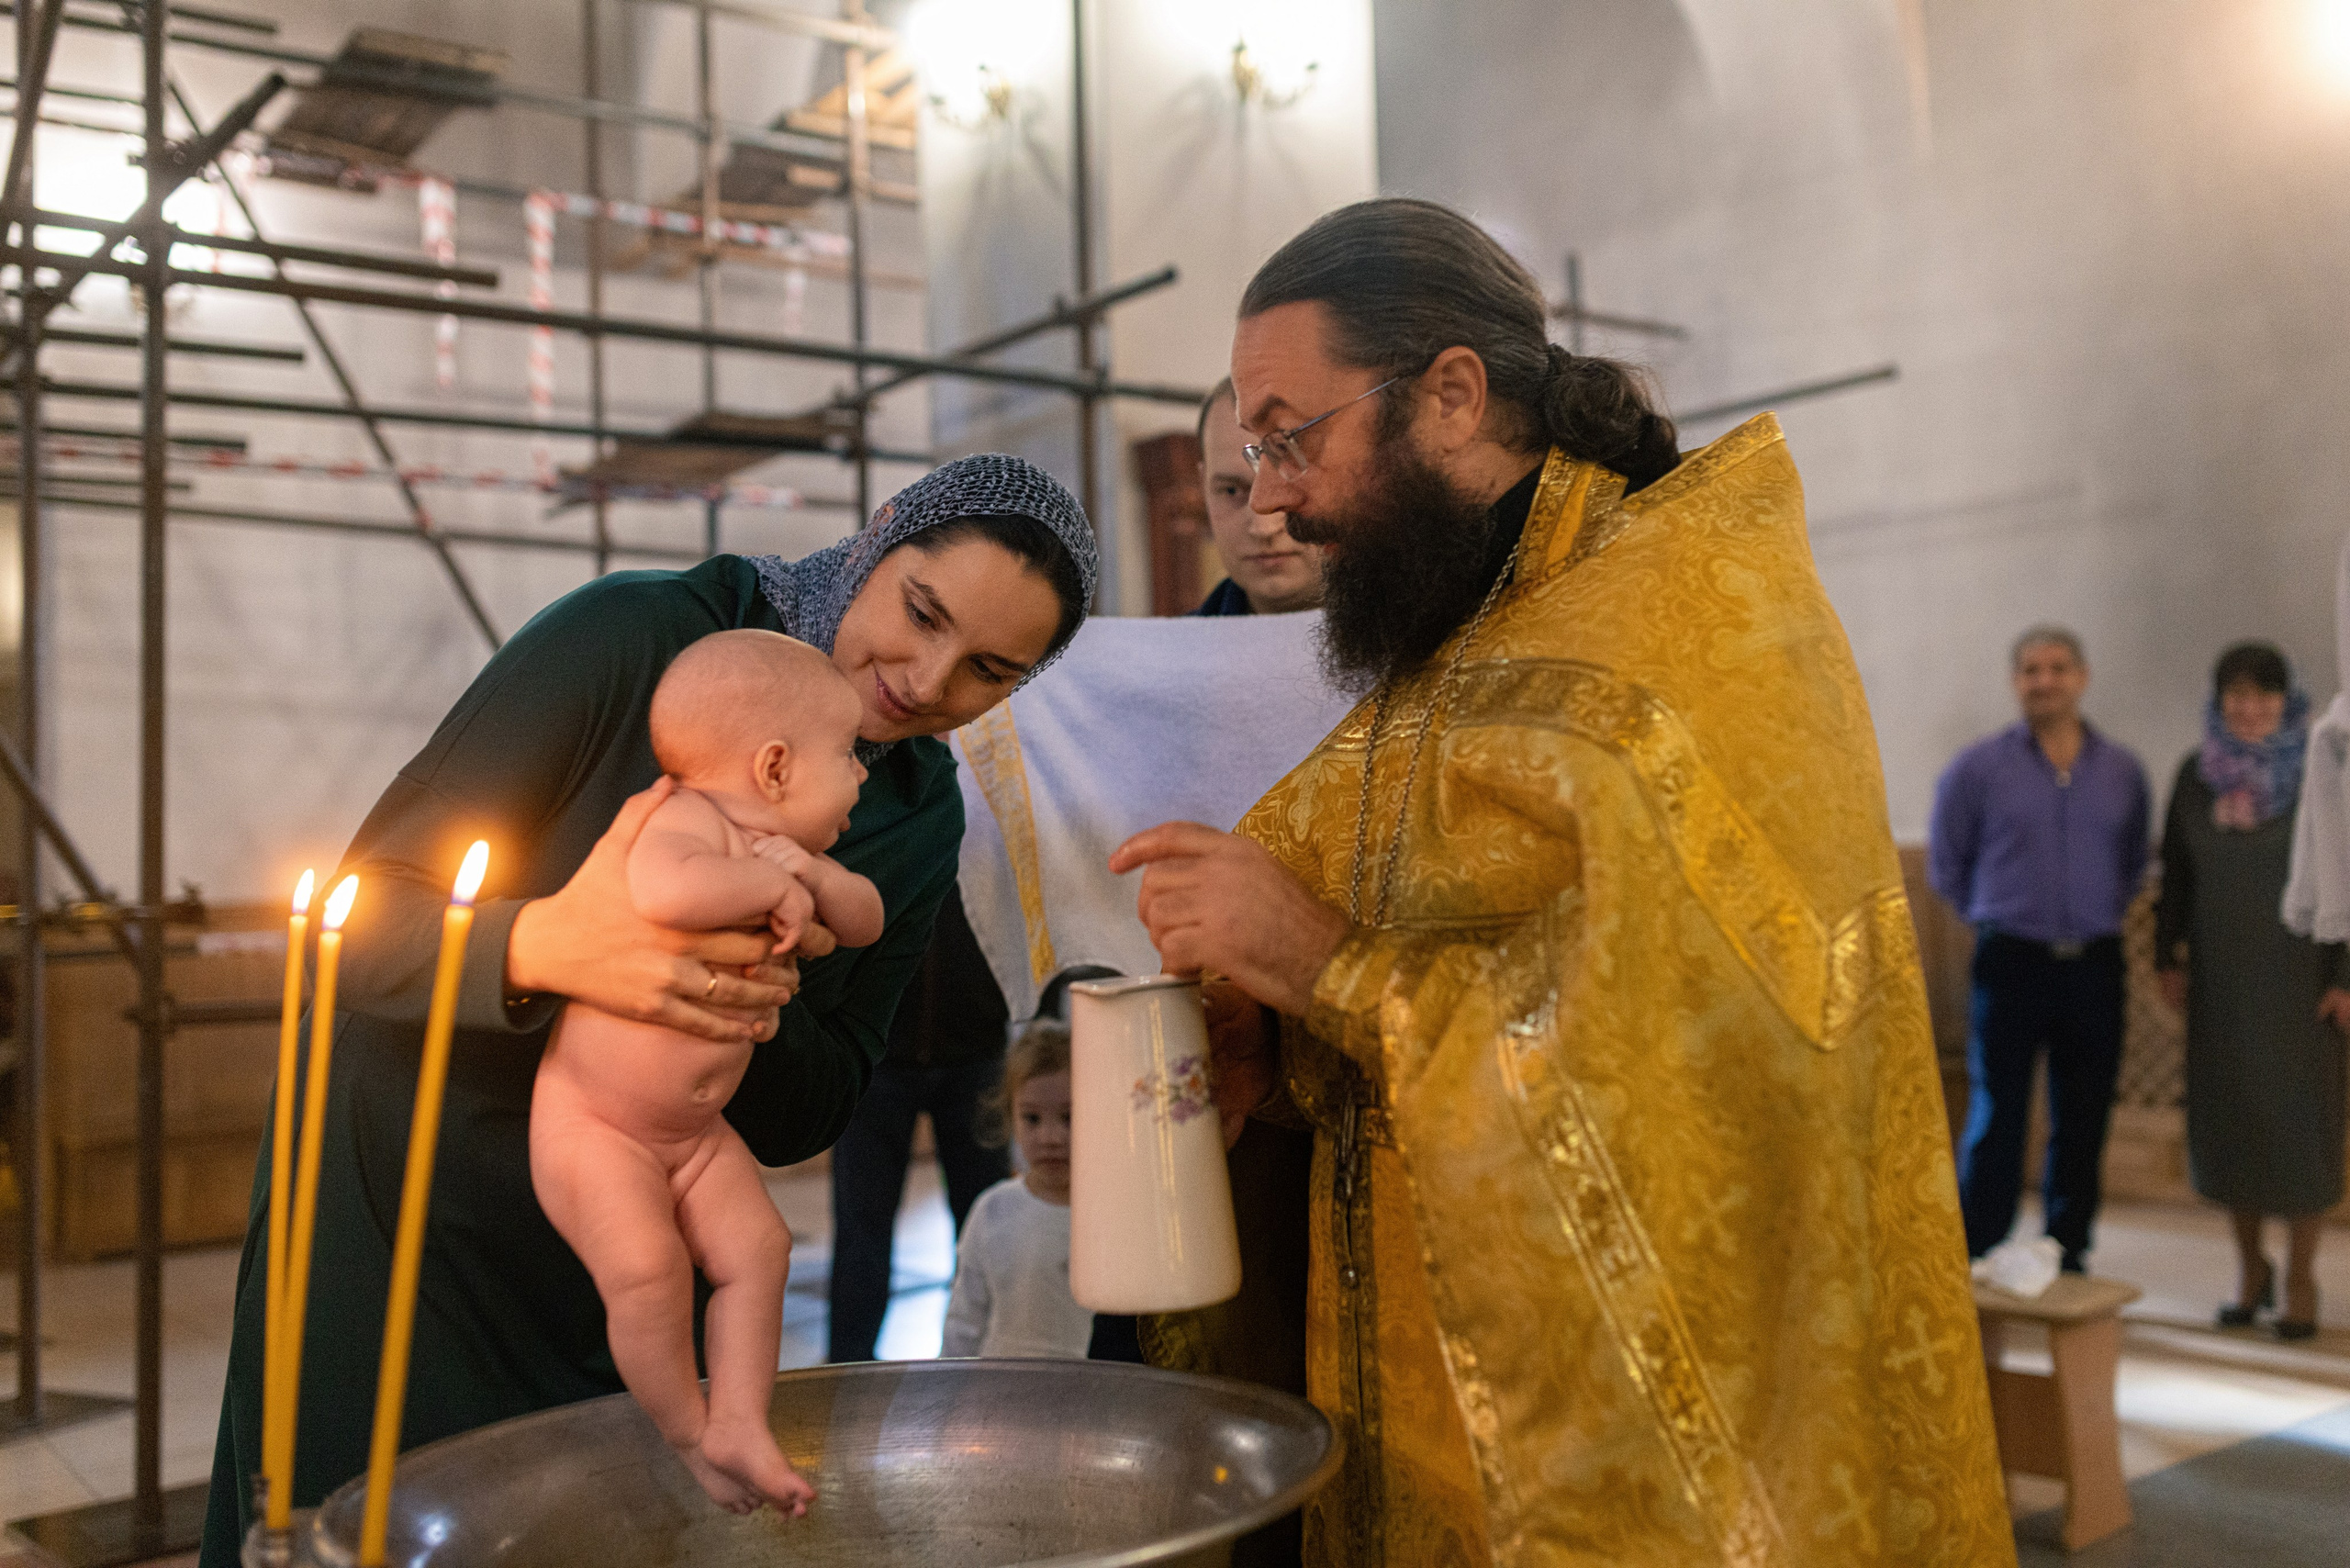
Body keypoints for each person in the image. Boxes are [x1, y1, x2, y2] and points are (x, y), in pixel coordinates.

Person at [1111, 199, 2010, 1565]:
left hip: (1636, 1470)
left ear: (1454, 394)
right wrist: (1270, 1043)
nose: (1273, 494)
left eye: (1289, 437)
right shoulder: (1461, 625)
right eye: (1254, 452)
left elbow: (1694, 1085)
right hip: (1408, 1412)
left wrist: (1326, 965)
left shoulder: (1691, 625)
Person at [198, 455, 1098, 1567]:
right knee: (360, 1531)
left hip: (619, 1260)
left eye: (987, 672)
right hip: (407, 1207)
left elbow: (810, 1108)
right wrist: (553, 943)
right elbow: (360, 921)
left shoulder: (912, 813)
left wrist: (743, 998)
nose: (923, 678)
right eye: (920, 612)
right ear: (879, 534)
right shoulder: (636, 639)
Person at [532, 632, 884, 1516]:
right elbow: (667, 897)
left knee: (761, 1249)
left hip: (691, 1133)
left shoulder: (785, 850)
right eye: (847, 755)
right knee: (650, 1270)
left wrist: (807, 875)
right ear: (773, 767)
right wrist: (772, 893)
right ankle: (688, 1430)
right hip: (596, 1126)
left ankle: (739, 1417)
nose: (863, 776)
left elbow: (867, 918)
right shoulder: (681, 819)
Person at [1930, 627, 2152, 1274]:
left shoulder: (2121, 771)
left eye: (2057, 668)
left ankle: (2067, 1246)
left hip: (2094, 963)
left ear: (2081, 677)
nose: (2045, 681)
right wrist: (1990, 917)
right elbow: (1947, 863)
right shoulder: (1978, 769)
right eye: (2031, 670)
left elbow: (2134, 861)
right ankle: (1981, 1247)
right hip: (2011, 961)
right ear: (2016, 682)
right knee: (1998, 1110)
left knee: (2083, 1113)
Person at [2154, 642, 2348, 1339]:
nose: (2251, 706)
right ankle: (2249, 1270)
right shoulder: (2194, 777)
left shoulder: (2324, 768)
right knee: (2231, 1124)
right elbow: (2175, 876)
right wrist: (2165, 957)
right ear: (2219, 700)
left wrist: (2345, 977)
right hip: (2222, 979)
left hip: (2303, 983)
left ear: (2286, 698)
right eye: (2236, 693)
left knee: (2302, 1128)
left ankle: (2299, 1278)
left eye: (2264, 692)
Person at [822, 882, 1012, 1363]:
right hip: (876, 1057)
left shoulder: (986, 817)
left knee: (984, 1219)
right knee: (862, 1229)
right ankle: (847, 1374)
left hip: (976, 1049)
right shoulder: (870, 815)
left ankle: (992, 1364)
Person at [938, 1020, 1092, 1359]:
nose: (1051, 1138)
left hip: (1088, 1393)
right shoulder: (993, 1210)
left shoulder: (1108, 1213)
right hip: (999, 1390)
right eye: (1032, 1119)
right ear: (1010, 1116)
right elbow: (964, 1321)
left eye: (1069, 1117)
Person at [1193, 376, 1326, 616]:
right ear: (1203, 486)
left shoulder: (1415, 648)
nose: (1263, 528)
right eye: (1232, 491)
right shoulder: (1168, 652)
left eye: (1290, 482)